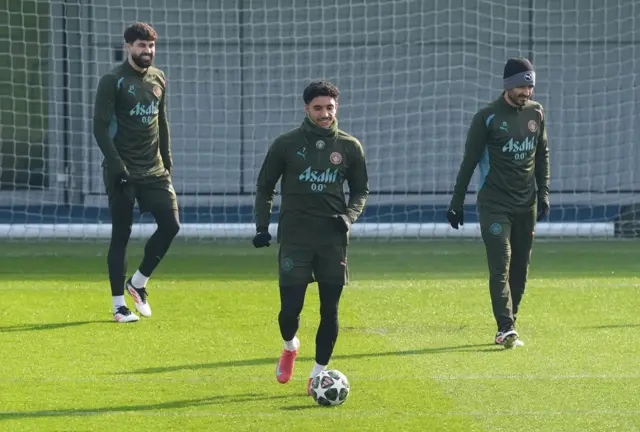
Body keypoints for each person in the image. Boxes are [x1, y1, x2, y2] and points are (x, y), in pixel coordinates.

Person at [253, 80, 369, 394]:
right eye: (318, 108)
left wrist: (348, 217)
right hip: (295, 239)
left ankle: (317, 376)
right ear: (306, 108)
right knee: (290, 310)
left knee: (329, 310)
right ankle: (290, 346)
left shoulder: (349, 147)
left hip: (332, 241)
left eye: (329, 107)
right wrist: (262, 227)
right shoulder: (286, 144)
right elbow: (265, 187)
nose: (324, 114)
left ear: (336, 108)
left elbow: (360, 191)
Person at [447, 58, 550, 348]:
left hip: (525, 204)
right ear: (507, 85)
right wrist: (457, 202)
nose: (525, 92)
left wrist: (544, 193)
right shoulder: (487, 117)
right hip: (494, 204)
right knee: (500, 264)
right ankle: (505, 327)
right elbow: (468, 162)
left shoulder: (537, 113)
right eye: (520, 85)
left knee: (520, 267)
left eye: (529, 85)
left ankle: (510, 323)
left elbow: (542, 155)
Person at [93, 22, 180, 323]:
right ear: (128, 46)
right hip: (122, 170)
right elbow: (100, 128)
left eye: (152, 46)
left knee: (171, 225)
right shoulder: (112, 80)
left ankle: (138, 282)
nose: (148, 51)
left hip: (154, 170)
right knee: (122, 234)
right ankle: (119, 305)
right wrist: (117, 165)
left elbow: (162, 121)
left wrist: (167, 161)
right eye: (142, 46)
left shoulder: (159, 78)